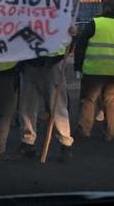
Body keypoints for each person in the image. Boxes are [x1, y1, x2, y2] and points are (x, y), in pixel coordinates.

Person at [16, 27, 76, 163]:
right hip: (30, 63)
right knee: (27, 108)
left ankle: (65, 143)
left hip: (51, 63)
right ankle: (27, 142)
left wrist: (72, 35)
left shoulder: (58, 14)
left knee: (57, 107)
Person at [74, 0, 114, 141]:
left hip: (93, 71)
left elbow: (80, 46)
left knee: (89, 100)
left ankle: (84, 130)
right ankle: (111, 132)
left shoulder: (94, 23)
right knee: (112, 103)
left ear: (103, 8)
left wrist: (78, 67)